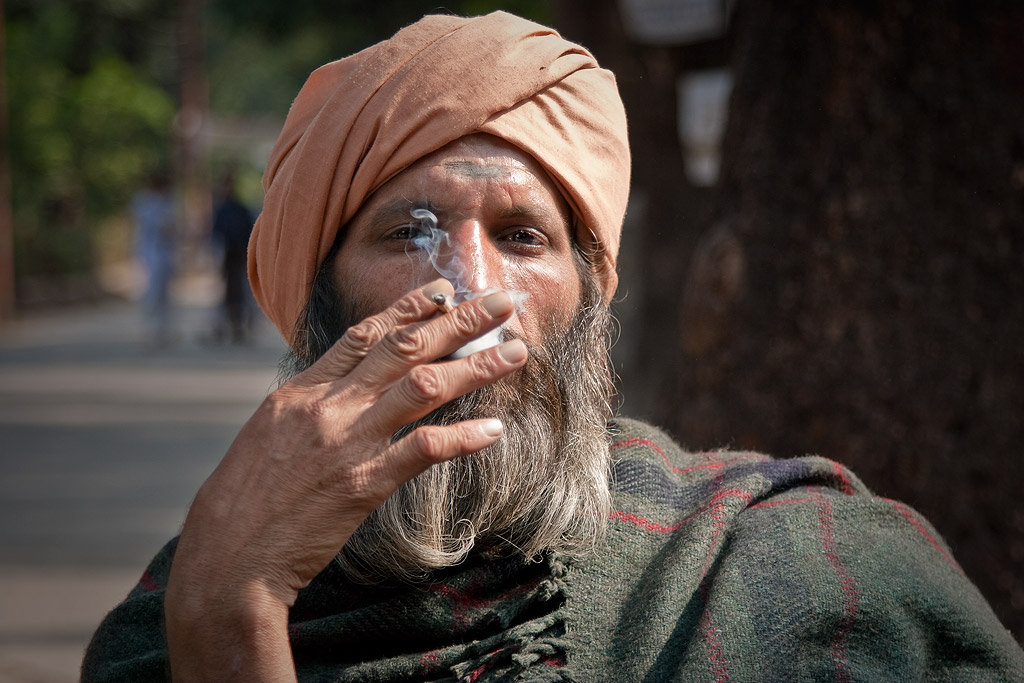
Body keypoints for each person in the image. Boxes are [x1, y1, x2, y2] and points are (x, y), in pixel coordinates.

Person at [82, 12, 1024, 682]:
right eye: (408, 230)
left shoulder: (803, 567)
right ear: (319, 304)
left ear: (587, 297)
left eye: (524, 237)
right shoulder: (179, 613)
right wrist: (227, 618)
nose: (472, 286)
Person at [131, 172, 177, 347]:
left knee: (165, 295)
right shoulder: (144, 202)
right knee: (151, 293)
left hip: (165, 253)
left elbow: (172, 227)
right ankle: (149, 331)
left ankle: (163, 331)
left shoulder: (167, 202)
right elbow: (160, 226)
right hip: (149, 254)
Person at [210, 173, 255, 344]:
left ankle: (240, 326)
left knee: (241, 292)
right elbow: (216, 236)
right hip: (226, 255)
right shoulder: (221, 209)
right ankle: (223, 326)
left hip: (238, 255)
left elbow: (248, 232)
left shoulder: (239, 209)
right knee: (225, 291)